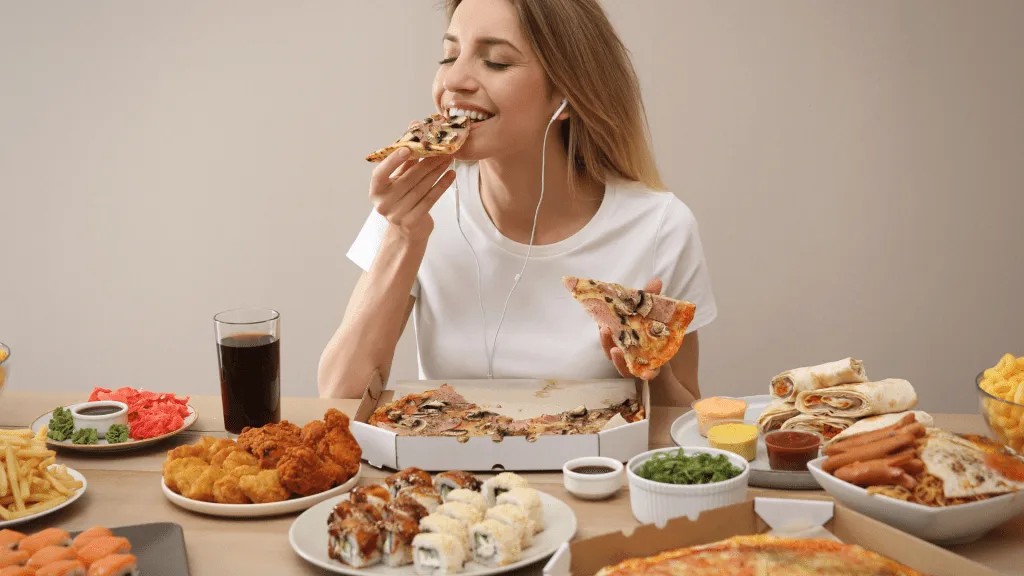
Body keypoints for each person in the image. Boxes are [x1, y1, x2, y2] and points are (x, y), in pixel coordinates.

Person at [318, 0, 716, 406]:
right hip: (450, 467)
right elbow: (339, 396)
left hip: (588, 471)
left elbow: (683, 422)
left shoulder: (660, 225)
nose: (454, 80)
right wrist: (401, 237)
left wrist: (650, 364)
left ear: (565, 91)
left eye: (496, 63)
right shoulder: (415, 203)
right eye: (449, 55)